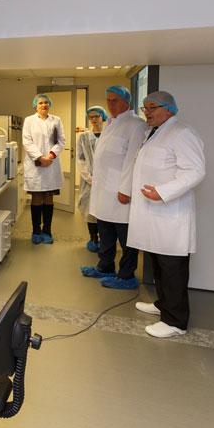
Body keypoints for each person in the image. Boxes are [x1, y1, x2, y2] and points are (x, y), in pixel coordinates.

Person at [129, 91, 205, 338]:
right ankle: (163, 305)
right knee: (159, 265)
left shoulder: (182, 133)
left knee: (172, 268)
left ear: (170, 109)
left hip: (171, 214)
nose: (147, 112)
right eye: (145, 108)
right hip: (154, 214)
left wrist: (163, 192)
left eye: (152, 107)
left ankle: (175, 321)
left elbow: (195, 171)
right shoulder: (154, 132)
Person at [81, 86, 148, 290]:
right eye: (108, 100)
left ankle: (127, 275)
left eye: (115, 100)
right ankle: (105, 266)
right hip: (103, 191)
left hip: (120, 191)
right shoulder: (111, 123)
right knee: (106, 232)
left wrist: (125, 189)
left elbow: (132, 160)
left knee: (125, 236)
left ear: (126, 101)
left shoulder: (136, 125)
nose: (110, 104)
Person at [22, 93, 66, 244]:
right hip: (36, 164)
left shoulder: (56, 120)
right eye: (40, 103)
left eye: (46, 102)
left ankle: (47, 231)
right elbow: (27, 141)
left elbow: (61, 140)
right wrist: (40, 158)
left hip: (51, 164)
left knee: (48, 197)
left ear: (50, 105)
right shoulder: (29, 120)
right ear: (36, 105)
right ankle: (36, 231)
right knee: (36, 198)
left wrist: (51, 156)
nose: (44, 105)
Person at [77, 106, 107, 252]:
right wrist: (89, 178)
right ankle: (93, 238)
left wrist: (103, 179)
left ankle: (104, 239)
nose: (94, 119)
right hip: (88, 181)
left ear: (103, 117)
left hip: (106, 181)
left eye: (97, 116)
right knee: (89, 210)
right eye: (91, 117)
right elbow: (80, 159)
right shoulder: (83, 137)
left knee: (103, 210)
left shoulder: (109, 135)